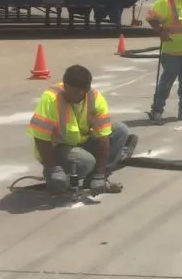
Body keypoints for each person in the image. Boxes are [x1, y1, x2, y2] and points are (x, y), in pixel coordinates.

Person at [27, 64, 138, 195]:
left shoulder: (95, 99)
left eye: (77, 91)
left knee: (120, 130)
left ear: (86, 89)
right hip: (56, 147)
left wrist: (100, 175)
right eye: (69, 89)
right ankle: (60, 177)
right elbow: (40, 137)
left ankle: (93, 180)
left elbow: (103, 139)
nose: (72, 94)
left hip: (81, 142)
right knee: (85, 162)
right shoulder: (51, 98)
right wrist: (53, 168)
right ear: (65, 84)